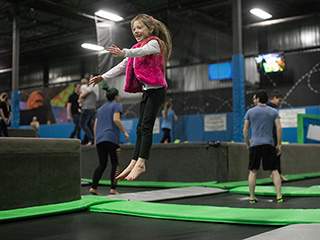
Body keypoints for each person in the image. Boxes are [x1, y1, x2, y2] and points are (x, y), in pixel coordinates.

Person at [90, 14, 172, 181]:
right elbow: (122, 66)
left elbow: (142, 51)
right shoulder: (137, 48)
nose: (136, 31)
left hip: (157, 91)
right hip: (147, 91)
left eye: (140, 27)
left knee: (146, 126)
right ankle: (134, 161)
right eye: (134, 28)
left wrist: (124, 52)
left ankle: (142, 163)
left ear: (150, 29)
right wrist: (103, 76)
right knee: (140, 127)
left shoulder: (155, 43)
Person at [243, 89, 283, 203]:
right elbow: (279, 128)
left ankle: (251, 197)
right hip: (269, 144)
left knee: (253, 171)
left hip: (255, 144)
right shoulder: (273, 111)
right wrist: (279, 144)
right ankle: (279, 195)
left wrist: (248, 144)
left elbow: (245, 130)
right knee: (274, 170)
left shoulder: (250, 112)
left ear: (258, 99)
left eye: (255, 98)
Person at [89, 86, 129, 195]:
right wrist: (124, 132)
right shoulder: (117, 105)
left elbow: (95, 125)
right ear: (116, 96)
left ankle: (94, 187)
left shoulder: (100, 108)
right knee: (115, 163)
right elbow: (116, 119)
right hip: (111, 138)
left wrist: (95, 140)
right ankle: (113, 188)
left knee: (102, 164)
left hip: (100, 139)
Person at [267, 90, 288, 181]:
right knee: (275, 153)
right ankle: (275, 173)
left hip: (271, 133)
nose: (280, 103)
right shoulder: (269, 107)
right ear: (274, 98)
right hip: (269, 134)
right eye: (279, 101)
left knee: (277, 154)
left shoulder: (273, 108)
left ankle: (277, 173)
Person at [79, 78, 97, 146]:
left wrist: (80, 98)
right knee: (90, 124)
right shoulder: (95, 87)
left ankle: (91, 139)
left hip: (87, 107)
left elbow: (82, 95)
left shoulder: (88, 87)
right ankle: (93, 139)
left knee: (82, 123)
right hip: (93, 107)